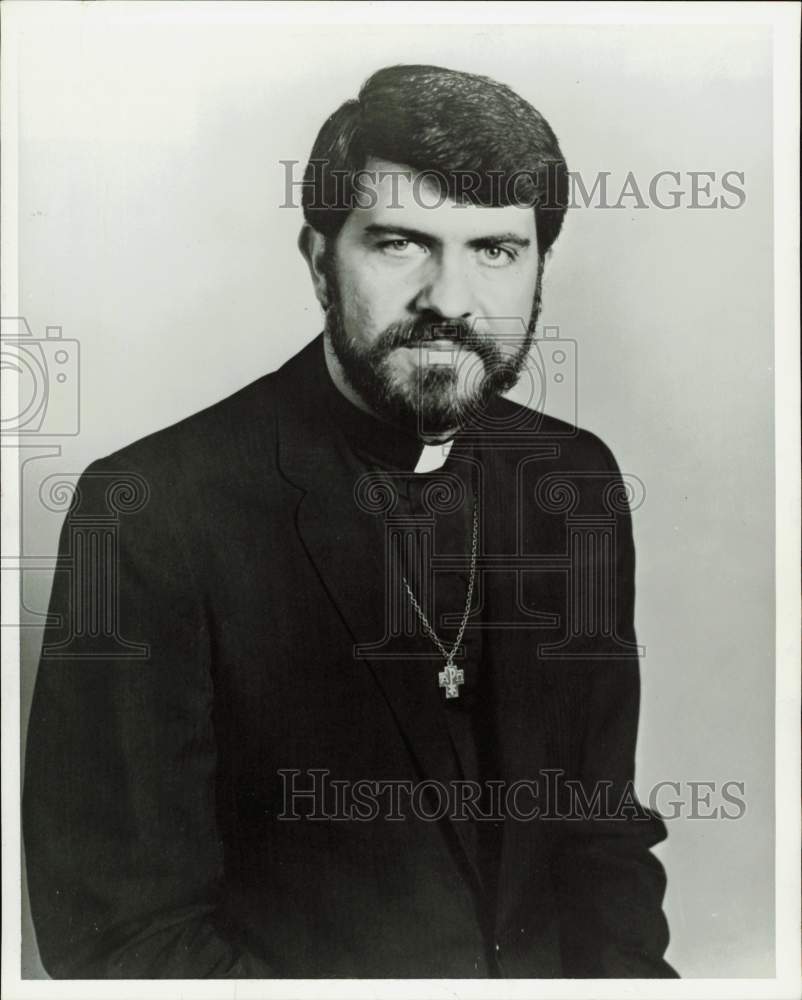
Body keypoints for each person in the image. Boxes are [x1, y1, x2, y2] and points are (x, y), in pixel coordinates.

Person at [23, 64, 676, 979]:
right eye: (402, 242)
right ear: (319, 259)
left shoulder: (575, 481)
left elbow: (601, 834)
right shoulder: (145, 509)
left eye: (495, 249)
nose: (450, 300)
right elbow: (121, 938)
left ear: (538, 267)